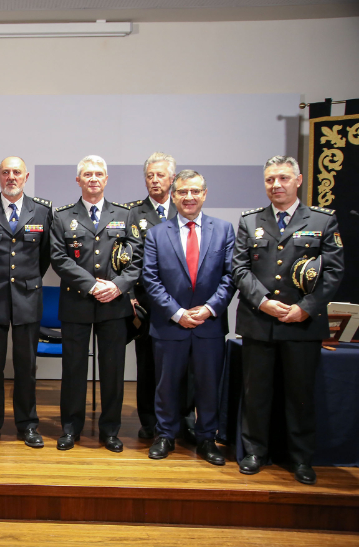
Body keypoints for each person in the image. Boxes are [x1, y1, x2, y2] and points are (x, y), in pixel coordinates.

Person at [232, 155, 344, 485]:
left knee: (300, 395)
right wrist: (263, 301)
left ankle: (301, 458)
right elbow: (240, 269)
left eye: (282, 178)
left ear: (298, 180)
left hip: (302, 323)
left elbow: (333, 271)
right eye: (270, 179)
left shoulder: (323, 220)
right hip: (259, 321)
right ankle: (255, 452)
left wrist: (306, 307)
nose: (276, 185)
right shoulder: (250, 221)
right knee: (256, 393)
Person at [142, 170, 236, 465]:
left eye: (195, 191)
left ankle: (207, 438)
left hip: (209, 324)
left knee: (208, 386)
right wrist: (177, 313)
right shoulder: (157, 233)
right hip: (170, 325)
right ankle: (165, 435)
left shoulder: (224, 230)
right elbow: (150, 279)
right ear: (173, 196)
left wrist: (209, 308)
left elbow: (230, 276)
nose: (189, 197)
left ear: (204, 194)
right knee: (166, 385)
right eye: (182, 192)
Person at [50, 155, 142, 452]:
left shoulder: (125, 214)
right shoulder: (62, 216)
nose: (93, 178)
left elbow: (137, 259)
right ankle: (70, 428)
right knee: (73, 369)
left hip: (114, 303)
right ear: (78, 180)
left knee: (113, 370)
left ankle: (110, 431)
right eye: (87, 174)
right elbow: (59, 258)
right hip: (76, 302)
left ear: (106, 179)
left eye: (98, 174)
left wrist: (117, 286)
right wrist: (91, 285)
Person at [0, 156, 52, 448]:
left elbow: (44, 257)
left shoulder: (42, 210)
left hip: (28, 298)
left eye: (17, 172)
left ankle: (27, 425)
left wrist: (28, 281)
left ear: (26, 177)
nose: (11, 177)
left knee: (26, 366)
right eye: (6, 172)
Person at [126, 152, 177, 440]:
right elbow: (125, 259)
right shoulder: (133, 213)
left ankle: (182, 418)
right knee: (147, 363)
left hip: (181, 301)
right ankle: (148, 420)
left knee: (181, 364)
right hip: (146, 301)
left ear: (172, 178)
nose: (154, 180)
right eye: (150, 176)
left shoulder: (185, 207)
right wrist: (130, 296)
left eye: (160, 175)